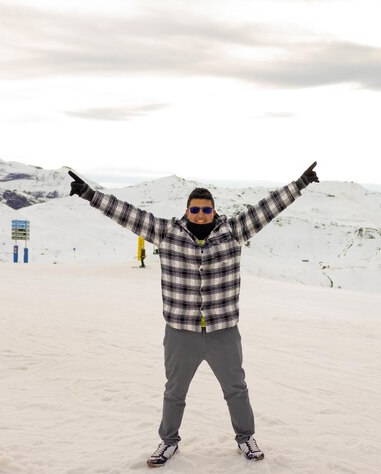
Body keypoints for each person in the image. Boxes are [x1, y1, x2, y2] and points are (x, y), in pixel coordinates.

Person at [68, 163, 319, 467]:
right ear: (186, 211)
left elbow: (266, 209)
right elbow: (129, 215)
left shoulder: (233, 231)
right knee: (175, 391)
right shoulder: (166, 233)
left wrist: (299, 184)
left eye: (206, 209)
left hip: (223, 331)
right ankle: (168, 441)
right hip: (180, 332)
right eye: (195, 209)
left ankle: (245, 438)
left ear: (215, 211)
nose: (201, 214)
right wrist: (91, 195)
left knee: (236, 389)